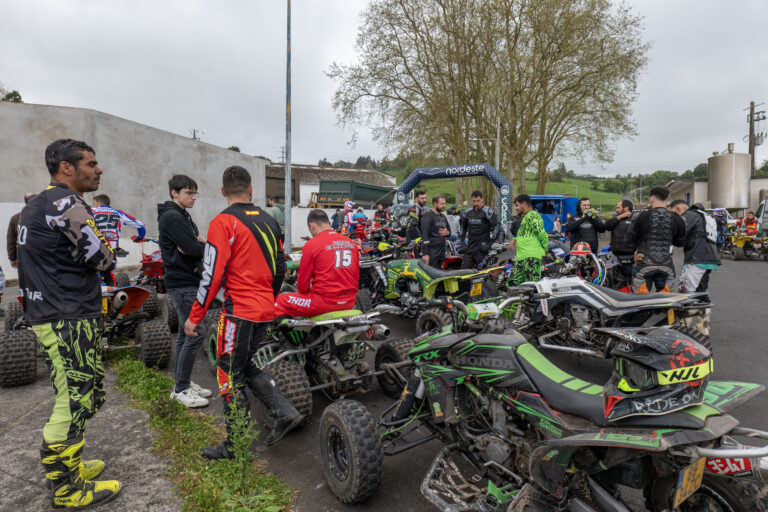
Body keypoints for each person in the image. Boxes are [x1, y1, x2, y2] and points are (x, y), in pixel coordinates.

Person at [18, 139, 120, 508]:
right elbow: (100, 256)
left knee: (82, 393)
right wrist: (108, 250)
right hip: (67, 317)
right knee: (73, 401)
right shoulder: (65, 202)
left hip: (58, 313)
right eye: (91, 163)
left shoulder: (36, 204)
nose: (99, 170)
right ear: (66, 168)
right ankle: (65, 487)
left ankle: (71, 463)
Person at [184, 166, 300, 458]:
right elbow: (281, 268)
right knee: (242, 364)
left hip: (238, 312)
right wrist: (269, 299)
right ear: (251, 190)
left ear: (223, 191)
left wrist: (194, 316)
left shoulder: (222, 222)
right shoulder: (269, 220)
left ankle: (235, 445)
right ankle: (284, 411)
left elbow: (210, 275)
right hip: (264, 309)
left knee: (227, 373)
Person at [158, 174, 212, 408]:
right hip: (183, 281)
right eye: (189, 193)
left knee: (184, 332)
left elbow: (192, 246)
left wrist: (195, 244)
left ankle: (183, 382)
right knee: (195, 332)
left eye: (194, 192)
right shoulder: (172, 217)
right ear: (174, 193)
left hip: (185, 279)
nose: (194, 197)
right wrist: (199, 245)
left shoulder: (181, 215)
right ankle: (181, 389)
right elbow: (194, 248)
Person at [274, 209, 360, 317]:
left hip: (323, 303)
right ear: (329, 223)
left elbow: (302, 285)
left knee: (280, 300)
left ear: (312, 226)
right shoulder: (351, 243)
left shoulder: (312, 244)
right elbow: (356, 276)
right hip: (350, 301)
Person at [625, 186, 686, 293]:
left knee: (639, 302)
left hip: (643, 263)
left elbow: (628, 240)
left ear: (651, 199)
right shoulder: (677, 218)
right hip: (666, 264)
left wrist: (635, 249)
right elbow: (680, 242)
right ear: (667, 200)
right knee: (666, 302)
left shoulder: (641, 216)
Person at [670, 201, 721, 292]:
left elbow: (679, 233)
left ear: (678, 209)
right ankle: (704, 304)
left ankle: (686, 305)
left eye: (674, 213)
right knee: (701, 289)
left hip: (697, 256)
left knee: (685, 289)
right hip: (710, 257)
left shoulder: (689, 215)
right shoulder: (705, 215)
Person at [507, 194, 548, 285]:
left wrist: (545, 248)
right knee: (512, 283)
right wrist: (515, 239)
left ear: (524, 204)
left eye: (517, 205)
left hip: (531, 257)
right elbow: (524, 234)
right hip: (522, 257)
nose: (516, 208)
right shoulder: (526, 217)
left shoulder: (532, 215)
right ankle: (516, 299)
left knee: (533, 286)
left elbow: (541, 233)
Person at [459, 190, 499, 269]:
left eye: (478, 201)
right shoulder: (468, 212)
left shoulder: (488, 212)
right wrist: (462, 243)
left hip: (482, 250)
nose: (476, 203)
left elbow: (496, 228)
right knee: (464, 273)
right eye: (474, 201)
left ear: (482, 199)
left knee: (481, 274)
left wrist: (488, 245)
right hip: (470, 248)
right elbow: (463, 228)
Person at [603, 199, 636, 292]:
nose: (616, 210)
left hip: (631, 257)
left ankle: (634, 302)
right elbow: (606, 226)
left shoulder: (635, 219)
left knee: (633, 282)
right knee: (618, 283)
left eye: (618, 207)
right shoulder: (616, 219)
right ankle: (624, 302)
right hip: (616, 256)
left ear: (626, 208)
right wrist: (620, 217)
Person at [6, 192, 36, 268]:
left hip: (23, 257)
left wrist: (12, 258)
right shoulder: (45, 217)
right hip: (40, 257)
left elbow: (11, 240)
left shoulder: (15, 218)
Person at [421, 194, 452, 268]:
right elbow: (425, 235)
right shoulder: (428, 215)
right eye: (442, 204)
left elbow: (449, 231)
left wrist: (447, 233)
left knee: (440, 275)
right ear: (435, 204)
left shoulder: (443, 217)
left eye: (444, 203)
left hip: (441, 253)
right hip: (432, 254)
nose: (444, 205)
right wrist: (425, 254)